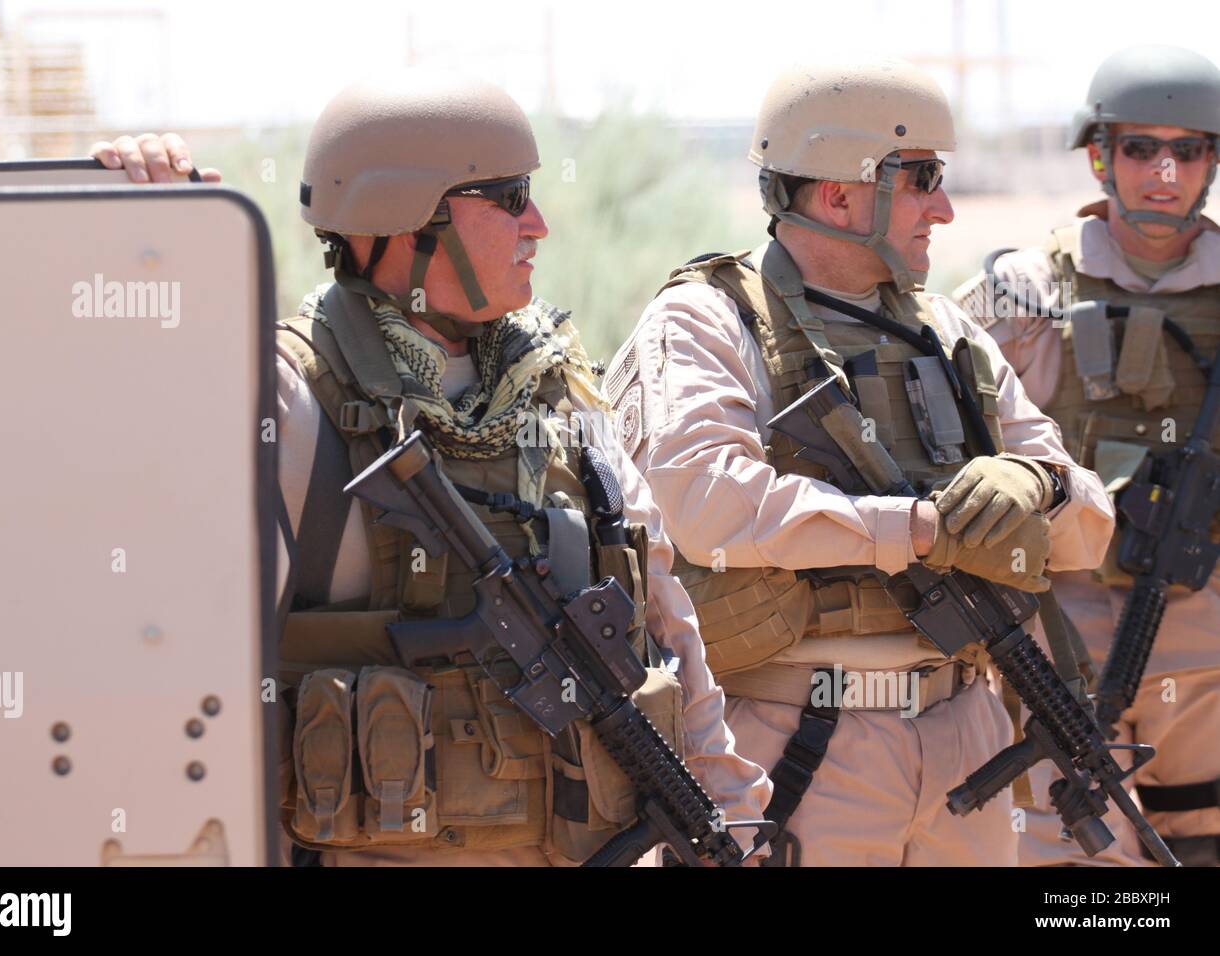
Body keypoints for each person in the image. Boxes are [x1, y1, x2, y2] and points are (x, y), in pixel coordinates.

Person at [93, 69, 769, 867]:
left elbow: (663, 613)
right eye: (510, 197)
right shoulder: (286, 395)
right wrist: (135, 235)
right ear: (409, 220)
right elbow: (122, 446)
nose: (539, 225)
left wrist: (732, 806)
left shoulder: (557, 386)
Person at [602, 57, 1115, 866]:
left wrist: (1038, 485)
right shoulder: (707, 320)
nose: (944, 208)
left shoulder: (948, 332)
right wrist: (916, 529)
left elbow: (1090, 527)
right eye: (922, 179)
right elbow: (705, 503)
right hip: (800, 740)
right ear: (838, 193)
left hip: (966, 734)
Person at [954, 44, 1220, 867]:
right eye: (1141, 147)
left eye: (1189, 148)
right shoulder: (1026, 288)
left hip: (1204, 618)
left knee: (1201, 832)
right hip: (1060, 612)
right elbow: (936, 410)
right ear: (1101, 157)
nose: (1165, 171)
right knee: (1065, 845)